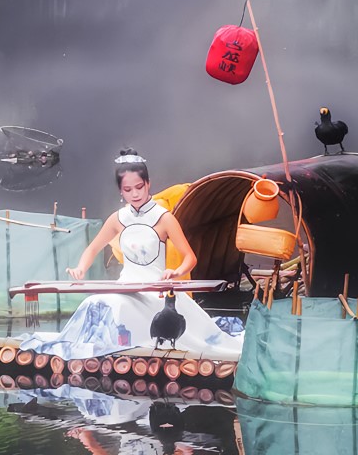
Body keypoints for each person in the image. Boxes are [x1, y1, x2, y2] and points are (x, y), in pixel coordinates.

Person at [20, 151, 243, 360]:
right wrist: (80, 268)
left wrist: (176, 272)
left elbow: (190, 258)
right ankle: (91, 356)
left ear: (148, 184)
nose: (135, 194)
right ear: (121, 190)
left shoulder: (164, 218)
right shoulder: (118, 219)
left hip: (156, 289)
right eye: (128, 189)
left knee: (121, 309)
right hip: (126, 286)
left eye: (139, 187)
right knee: (94, 302)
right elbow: (93, 248)